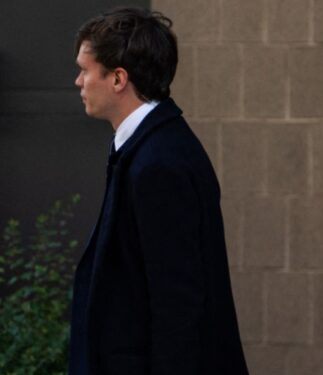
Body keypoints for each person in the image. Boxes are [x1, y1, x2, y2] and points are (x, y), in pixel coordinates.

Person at [69, 7, 248, 374]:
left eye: (85, 70)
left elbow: (178, 306)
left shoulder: (159, 162)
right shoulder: (145, 146)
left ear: (118, 78)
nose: (78, 81)